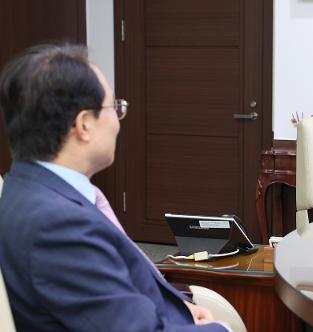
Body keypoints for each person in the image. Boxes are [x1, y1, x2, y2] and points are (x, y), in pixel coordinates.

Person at [0, 44, 229, 331]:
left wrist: (177, 309)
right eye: (114, 107)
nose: (119, 122)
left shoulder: (26, 188)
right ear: (84, 125)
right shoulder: (59, 225)